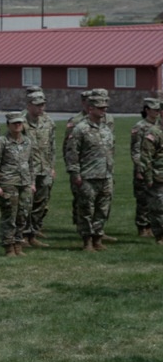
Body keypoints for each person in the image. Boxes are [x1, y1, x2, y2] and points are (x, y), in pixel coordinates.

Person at [64, 89, 114, 251]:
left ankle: (98, 238)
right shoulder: (80, 129)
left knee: (102, 209)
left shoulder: (106, 129)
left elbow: (110, 151)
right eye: (100, 108)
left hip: (105, 175)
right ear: (90, 108)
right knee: (86, 210)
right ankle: (87, 241)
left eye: (105, 108)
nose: (104, 110)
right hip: (87, 176)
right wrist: (75, 174)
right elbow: (72, 153)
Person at [0, 111, 36, 255]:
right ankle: (8, 246)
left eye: (20, 123)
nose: (17, 125)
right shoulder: (1, 142)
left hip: (25, 183)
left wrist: (32, 182)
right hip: (8, 183)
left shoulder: (27, 141)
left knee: (22, 215)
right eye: (14, 123)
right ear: (8, 125)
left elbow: (31, 164)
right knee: (10, 216)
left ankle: (18, 244)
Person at [23, 91, 56, 246]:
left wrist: (52, 166)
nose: (40, 108)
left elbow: (52, 147)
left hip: (44, 169)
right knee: (25, 204)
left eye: (42, 105)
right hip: (27, 171)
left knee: (41, 204)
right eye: (37, 105)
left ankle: (33, 234)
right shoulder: (21, 123)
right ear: (29, 105)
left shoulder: (48, 122)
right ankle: (22, 235)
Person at [130, 97, 160, 238]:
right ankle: (143, 227)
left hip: (157, 169)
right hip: (143, 167)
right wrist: (139, 169)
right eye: (155, 110)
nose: (157, 113)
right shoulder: (140, 127)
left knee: (156, 200)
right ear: (147, 110)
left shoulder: (159, 127)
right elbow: (136, 151)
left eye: (159, 110)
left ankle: (153, 226)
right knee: (143, 199)